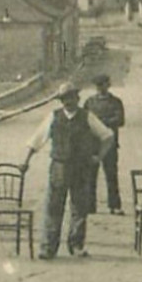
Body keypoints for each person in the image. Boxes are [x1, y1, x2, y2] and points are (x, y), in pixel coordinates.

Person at [21, 82, 113, 259]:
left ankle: (77, 245)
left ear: (77, 98)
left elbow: (107, 137)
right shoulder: (53, 117)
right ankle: (48, 247)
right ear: (61, 101)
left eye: (71, 97)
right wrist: (26, 161)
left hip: (81, 168)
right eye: (64, 98)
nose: (68, 101)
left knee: (79, 208)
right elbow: (36, 140)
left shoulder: (87, 116)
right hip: (59, 167)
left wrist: (98, 157)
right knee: (53, 207)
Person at [83, 73, 126, 213]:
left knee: (111, 174)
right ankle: (89, 205)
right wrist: (102, 123)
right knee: (90, 175)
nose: (101, 88)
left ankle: (114, 205)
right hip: (92, 144)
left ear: (109, 85)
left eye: (104, 84)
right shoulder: (89, 102)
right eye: (98, 85)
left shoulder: (116, 102)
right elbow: (84, 120)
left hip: (110, 143)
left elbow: (120, 120)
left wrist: (98, 123)